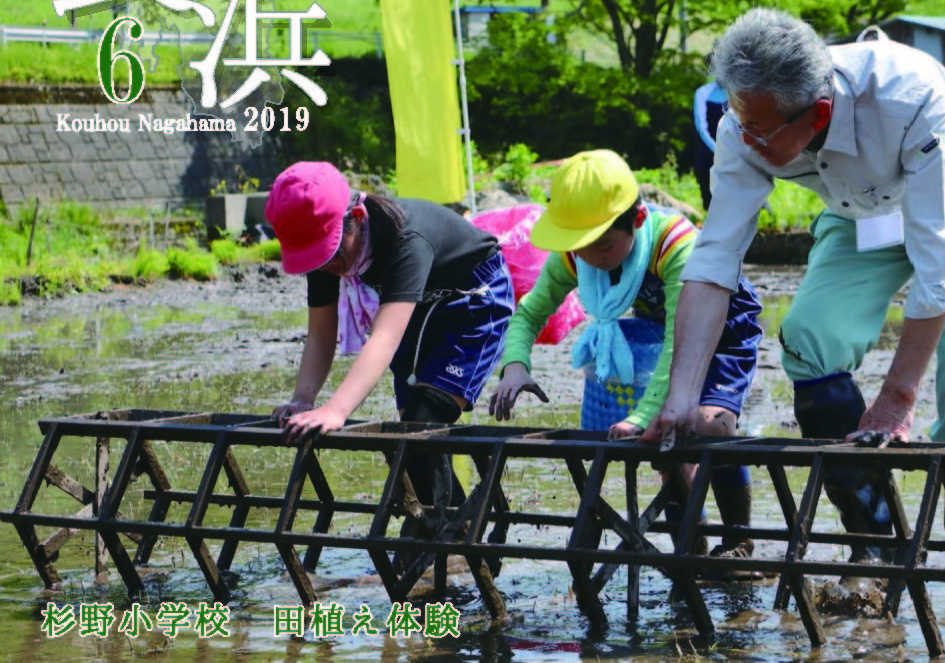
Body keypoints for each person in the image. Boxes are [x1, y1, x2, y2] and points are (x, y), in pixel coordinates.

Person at [642, 8, 945, 567]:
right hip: (864, 215)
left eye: (759, 129)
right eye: (737, 119)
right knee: (809, 337)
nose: (744, 138)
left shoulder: (908, 96)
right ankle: (874, 549)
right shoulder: (745, 124)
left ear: (818, 113)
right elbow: (714, 259)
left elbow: (940, 267)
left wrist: (896, 401)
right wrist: (679, 398)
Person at [487, 149, 764, 561]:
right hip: (659, 336)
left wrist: (640, 416)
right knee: (666, 448)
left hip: (722, 329)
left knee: (708, 429)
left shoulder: (675, 246)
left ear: (635, 220)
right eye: (580, 247)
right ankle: (693, 551)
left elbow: (681, 338)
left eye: (602, 246)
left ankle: (741, 543)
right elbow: (528, 313)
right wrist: (514, 367)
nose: (590, 259)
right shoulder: (578, 253)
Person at [265, 161, 515, 540]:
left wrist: (336, 410)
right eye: (318, 260)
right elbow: (320, 332)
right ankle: (449, 536)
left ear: (357, 217)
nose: (329, 267)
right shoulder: (324, 251)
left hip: (471, 300)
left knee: (424, 416)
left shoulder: (405, 240)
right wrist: (304, 399)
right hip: (419, 306)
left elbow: (384, 338)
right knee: (410, 437)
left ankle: (457, 543)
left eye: (334, 254)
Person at [691, 80, 728, 210]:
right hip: (708, 159)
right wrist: (717, 149)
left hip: (733, 158)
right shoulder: (702, 93)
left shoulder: (737, 92)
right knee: (711, 205)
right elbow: (701, 128)